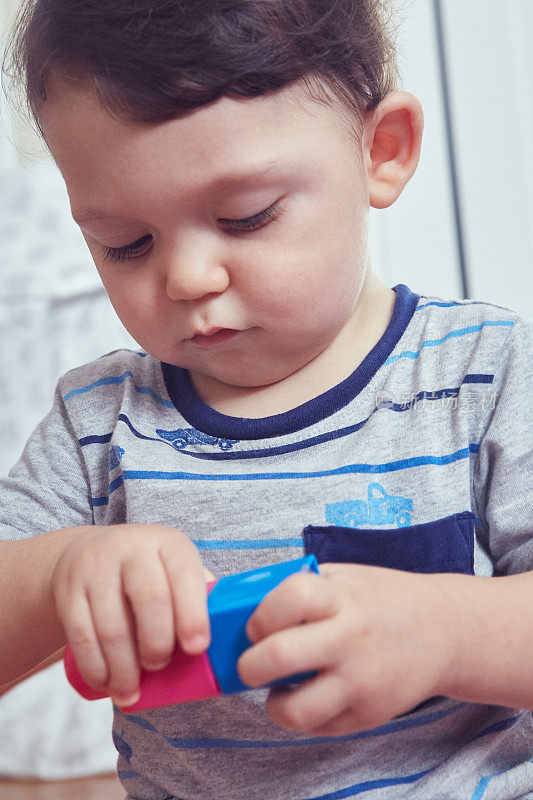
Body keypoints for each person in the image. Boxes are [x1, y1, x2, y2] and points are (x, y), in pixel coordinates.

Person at [1, 1, 532, 798]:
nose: (185, 279)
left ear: (379, 151)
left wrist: (448, 631)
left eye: (244, 217)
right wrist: (57, 575)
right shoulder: (97, 421)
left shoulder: (482, 376)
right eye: (125, 243)